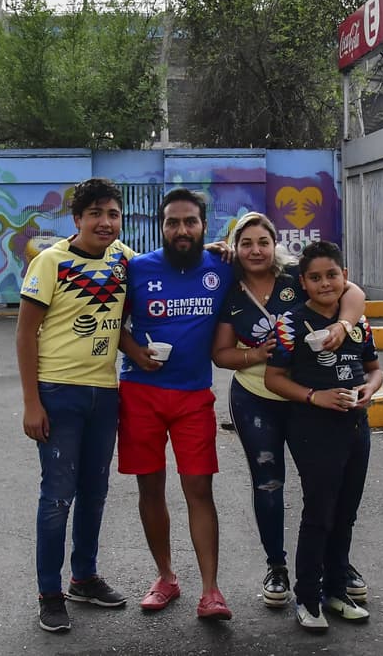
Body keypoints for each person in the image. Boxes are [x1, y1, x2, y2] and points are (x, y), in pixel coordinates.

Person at [210, 213, 368, 611]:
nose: (256, 250)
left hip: (304, 396)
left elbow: (354, 294)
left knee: (323, 485)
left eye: (263, 241)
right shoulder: (230, 288)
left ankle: (337, 567)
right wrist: (253, 354)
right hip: (255, 398)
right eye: (246, 243)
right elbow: (222, 353)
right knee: (268, 483)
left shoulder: (296, 276)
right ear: (236, 247)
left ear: (274, 244)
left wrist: (344, 328)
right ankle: (277, 567)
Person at [16, 178, 133, 634]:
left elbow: (164, 271)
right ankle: (50, 592)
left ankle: (84, 577)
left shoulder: (123, 259)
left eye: (113, 214)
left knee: (95, 492)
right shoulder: (50, 263)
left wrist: (220, 249)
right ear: (77, 219)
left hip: (105, 394)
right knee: (57, 497)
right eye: (96, 214)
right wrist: (31, 402)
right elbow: (26, 334)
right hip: (58, 393)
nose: (105, 223)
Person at [118, 188, 236, 621]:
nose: (181, 229)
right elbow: (114, 323)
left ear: (204, 226)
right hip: (140, 394)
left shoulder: (222, 267)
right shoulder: (137, 269)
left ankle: (211, 591)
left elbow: (269, 270)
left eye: (190, 222)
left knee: (199, 489)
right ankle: (165, 577)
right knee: (149, 489)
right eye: (173, 222)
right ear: (161, 227)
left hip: (193, 397)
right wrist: (132, 350)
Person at [264, 240, 383, 632]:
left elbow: (375, 369)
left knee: (346, 513)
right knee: (319, 513)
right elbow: (274, 378)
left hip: (355, 427)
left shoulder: (358, 322)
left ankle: (336, 590)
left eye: (332, 275)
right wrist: (315, 396)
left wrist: (370, 388)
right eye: (314, 278)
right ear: (303, 282)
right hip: (312, 430)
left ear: (344, 277)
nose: (325, 283)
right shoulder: (290, 324)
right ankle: (308, 597)